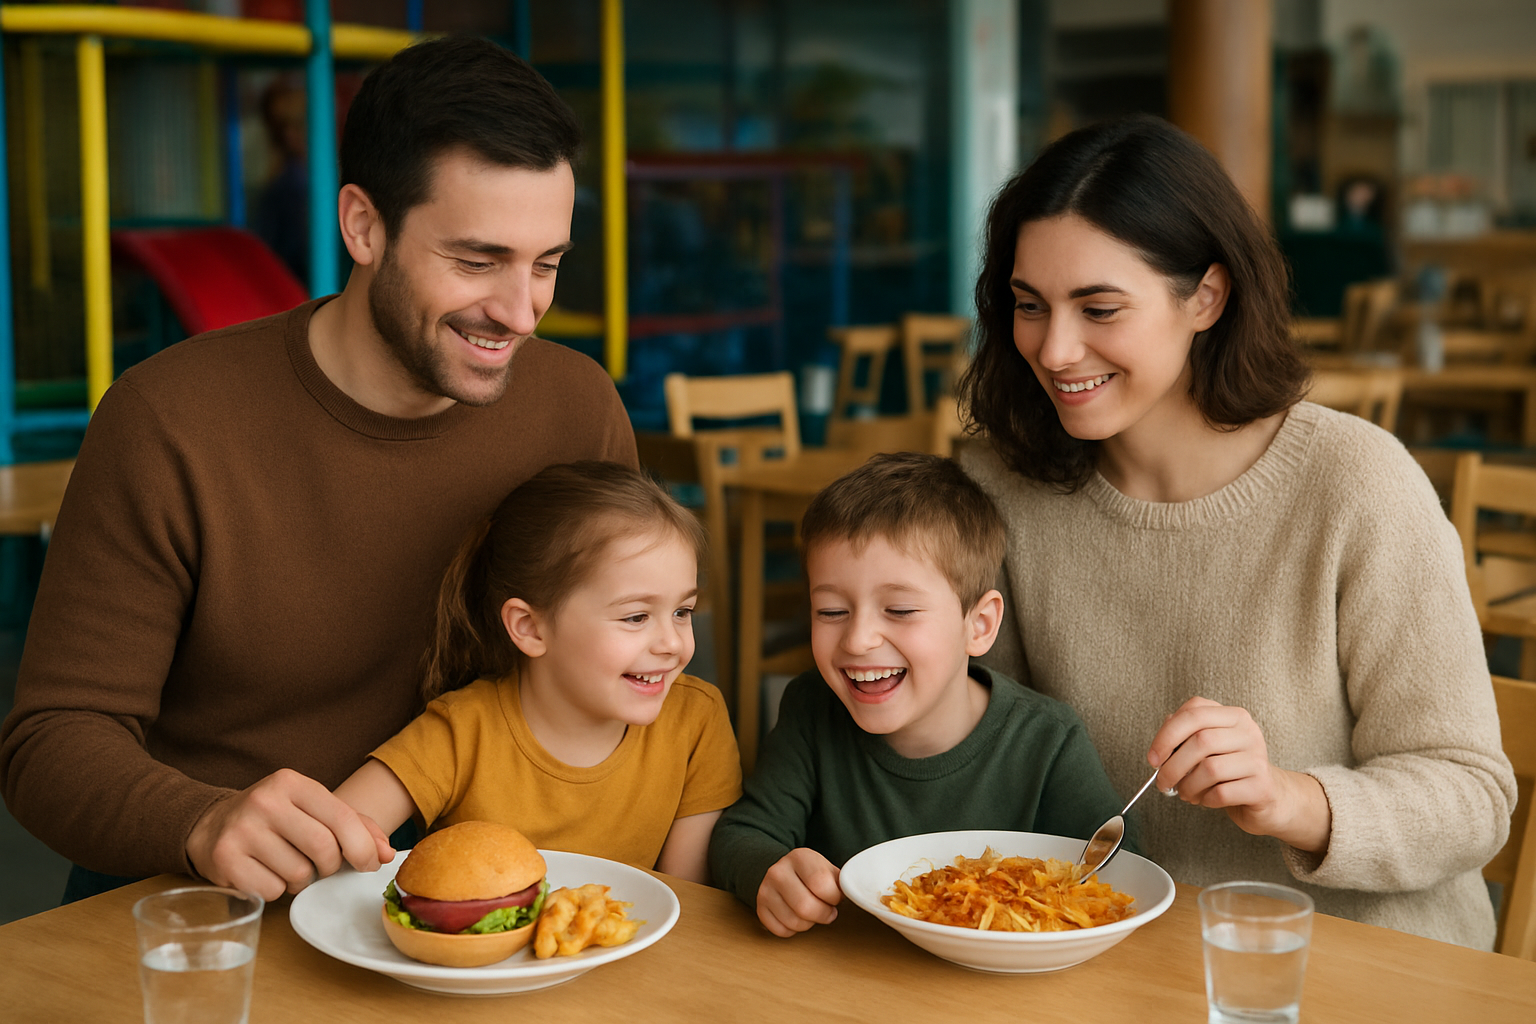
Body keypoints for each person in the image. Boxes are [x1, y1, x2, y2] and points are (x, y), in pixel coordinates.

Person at [0, 36, 637, 904]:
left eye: (547, 264)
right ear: (363, 226)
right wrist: (201, 821)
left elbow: (639, 665)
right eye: (477, 261)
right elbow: (51, 741)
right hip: (211, 910)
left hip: (479, 907)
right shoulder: (168, 420)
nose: (521, 312)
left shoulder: (577, 406)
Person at [956, 114, 1516, 949]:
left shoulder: (1357, 484)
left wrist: (1289, 798)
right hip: (1112, 962)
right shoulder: (1000, 493)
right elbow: (971, 759)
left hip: (1369, 969)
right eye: (1029, 306)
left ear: (1206, 298)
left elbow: (1473, 798)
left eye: (1099, 307)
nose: (1056, 349)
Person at [709, 452, 1128, 936]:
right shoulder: (812, 708)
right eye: (831, 611)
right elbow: (743, 835)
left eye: (900, 610)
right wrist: (770, 874)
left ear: (979, 625)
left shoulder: (1047, 740)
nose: (858, 639)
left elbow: (1121, 871)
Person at [335, 462, 741, 884]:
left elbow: (688, 898)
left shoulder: (697, 719)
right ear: (529, 628)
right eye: (636, 617)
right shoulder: (460, 732)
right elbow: (333, 837)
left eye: (683, 611)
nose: (673, 643)